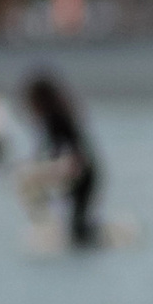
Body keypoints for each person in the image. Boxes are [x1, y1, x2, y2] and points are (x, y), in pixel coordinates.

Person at [21, 72, 103, 248]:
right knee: (78, 222)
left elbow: (59, 148)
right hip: (87, 171)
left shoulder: (54, 118)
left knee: (76, 225)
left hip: (79, 171)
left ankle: (81, 243)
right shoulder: (62, 113)